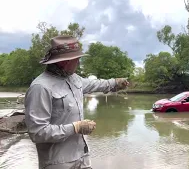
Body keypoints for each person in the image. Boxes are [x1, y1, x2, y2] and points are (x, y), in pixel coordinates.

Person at [24, 35, 129, 169]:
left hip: (82, 158)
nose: (79, 62)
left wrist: (115, 83)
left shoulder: (73, 79)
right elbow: (37, 132)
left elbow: (94, 84)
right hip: (58, 163)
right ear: (63, 62)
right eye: (77, 59)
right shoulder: (40, 87)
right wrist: (75, 127)